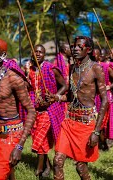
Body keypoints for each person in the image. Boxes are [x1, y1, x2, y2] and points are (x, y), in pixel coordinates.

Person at [0, 37, 36, 179]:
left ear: (3, 55)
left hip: (10, 135)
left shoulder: (13, 78)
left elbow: (31, 110)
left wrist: (20, 146)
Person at [53, 36, 108, 179]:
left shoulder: (96, 68)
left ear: (88, 50)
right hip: (69, 121)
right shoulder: (72, 68)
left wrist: (96, 132)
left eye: (79, 46)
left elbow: (105, 100)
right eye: (74, 46)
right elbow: (71, 97)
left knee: (80, 166)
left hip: (86, 123)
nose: (75, 49)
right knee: (57, 160)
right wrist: (56, 97)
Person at [26, 44, 67, 177]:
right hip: (36, 110)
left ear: (44, 55)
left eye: (40, 52)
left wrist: (54, 98)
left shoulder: (51, 68)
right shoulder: (31, 70)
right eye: (35, 52)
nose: (37, 54)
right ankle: (47, 166)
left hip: (49, 109)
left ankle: (38, 169)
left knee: (39, 137)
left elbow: (64, 86)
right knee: (41, 139)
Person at [97, 48, 113, 150]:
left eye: (100, 56)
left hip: (104, 96)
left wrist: (108, 87)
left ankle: (104, 143)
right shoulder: (91, 66)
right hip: (93, 96)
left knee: (102, 120)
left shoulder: (107, 67)